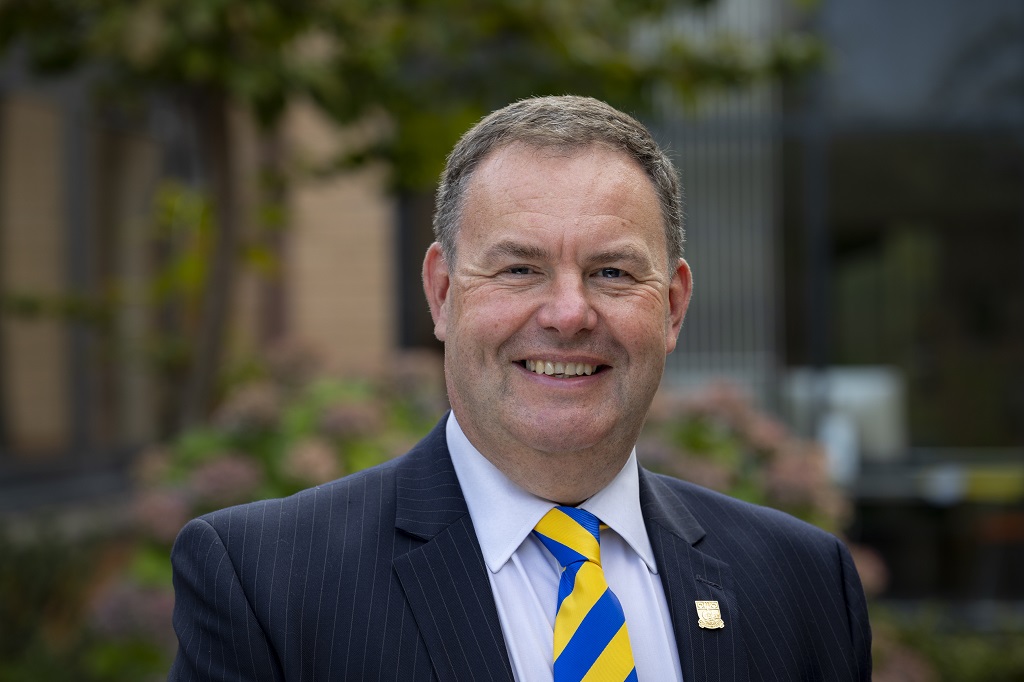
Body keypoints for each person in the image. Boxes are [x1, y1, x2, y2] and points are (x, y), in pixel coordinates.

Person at [168, 95, 872, 681]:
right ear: (443, 295)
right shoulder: (267, 584)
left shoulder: (804, 583)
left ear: (674, 307)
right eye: (518, 270)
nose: (569, 313)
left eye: (613, 273)